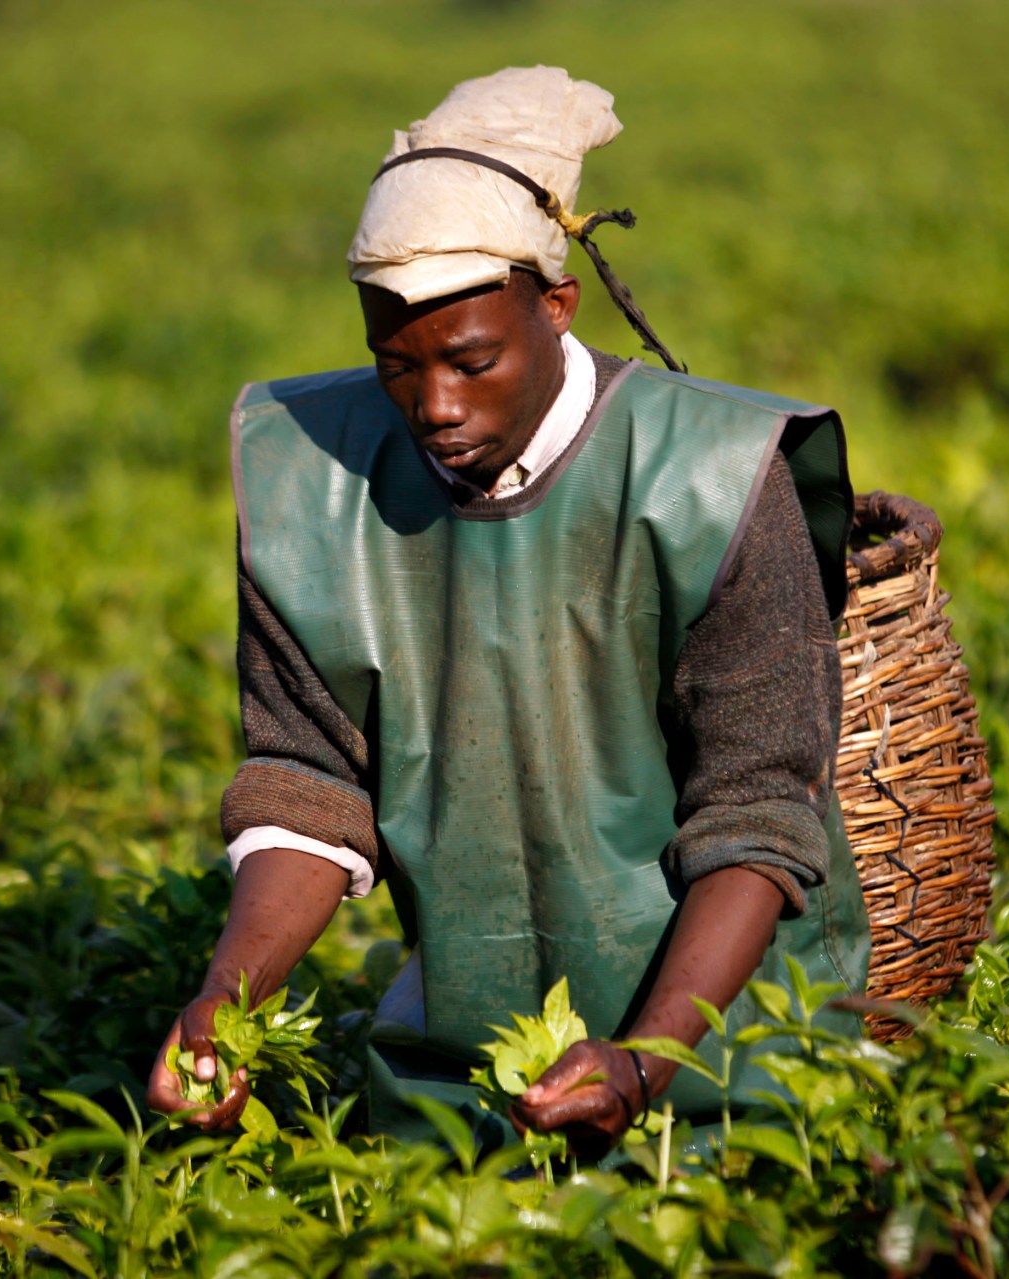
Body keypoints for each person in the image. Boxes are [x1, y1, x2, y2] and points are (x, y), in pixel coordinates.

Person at [148, 66, 869, 1159]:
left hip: (738, 1061)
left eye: (472, 360)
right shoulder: (311, 480)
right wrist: (227, 997)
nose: (434, 406)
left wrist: (646, 1060)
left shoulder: (715, 480)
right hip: (464, 1068)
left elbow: (758, 810)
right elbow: (309, 781)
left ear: (557, 307)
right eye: (395, 366)